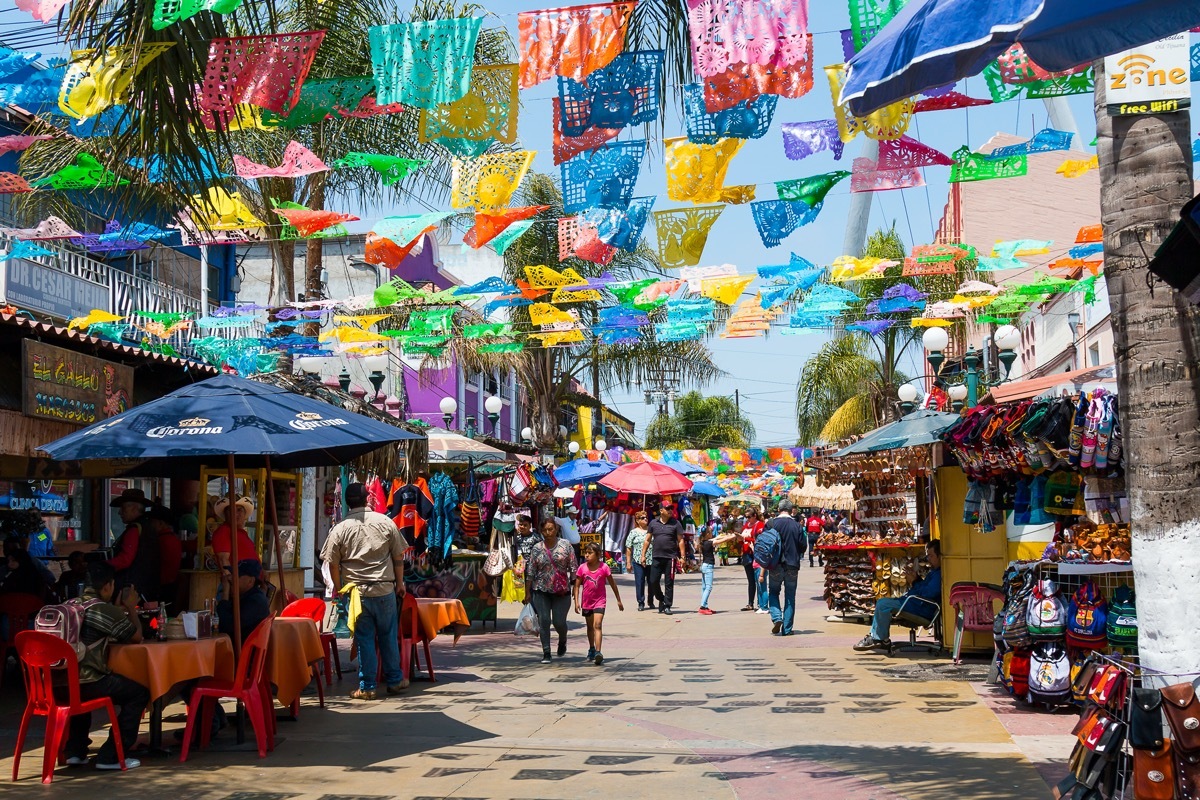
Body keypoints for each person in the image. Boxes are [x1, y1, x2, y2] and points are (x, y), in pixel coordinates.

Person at [321, 482, 409, 700]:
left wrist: (339, 587)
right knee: (388, 636)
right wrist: (400, 584)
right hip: (384, 589)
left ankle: (368, 686)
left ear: (346, 502)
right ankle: (395, 680)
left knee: (365, 639)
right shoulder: (385, 522)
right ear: (368, 499)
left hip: (357, 594)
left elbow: (333, 563)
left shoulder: (340, 528)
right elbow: (398, 557)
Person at [63, 561, 149, 771]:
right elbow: (136, 637)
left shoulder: (69, 604)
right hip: (89, 683)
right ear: (108, 586)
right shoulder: (104, 610)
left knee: (79, 690)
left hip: (58, 684)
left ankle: (75, 752)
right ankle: (111, 755)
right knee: (138, 693)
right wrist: (130, 608)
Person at [854, 540, 943, 651]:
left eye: (931, 556)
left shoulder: (938, 574)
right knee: (885, 602)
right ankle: (879, 637)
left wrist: (914, 582)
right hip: (916, 604)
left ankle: (879, 639)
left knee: (883, 604)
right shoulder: (934, 572)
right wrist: (916, 579)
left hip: (920, 608)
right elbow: (925, 590)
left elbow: (928, 593)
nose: (928, 559)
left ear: (939, 556)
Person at [523, 519, 577, 663]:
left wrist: (575, 587)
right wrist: (527, 591)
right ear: (541, 531)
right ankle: (546, 652)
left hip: (561, 591)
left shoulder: (566, 546)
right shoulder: (537, 548)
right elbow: (531, 571)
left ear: (556, 530)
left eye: (551, 529)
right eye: (545, 530)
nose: (548, 533)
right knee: (544, 621)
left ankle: (562, 639)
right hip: (541, 590)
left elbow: (573, 568)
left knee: (559, 622)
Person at [573, 541, 623, 665]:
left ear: (598, 554)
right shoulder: (582, 568)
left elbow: (612, 583)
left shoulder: (604, 567)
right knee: (590, 627)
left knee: (598, 625)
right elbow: (577, 585)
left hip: (600, 601)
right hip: (587, 602)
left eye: (590, 553)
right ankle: (591, 648)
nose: (587, 555)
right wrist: (576, 602)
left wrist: (618, 599)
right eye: (586, 553)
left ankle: (598, 652)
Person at [107, 488, 159, 600]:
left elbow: (125, 559)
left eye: (123, 507)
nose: (120, 512)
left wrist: (103, 566)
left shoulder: (134, 529)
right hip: (146, 587)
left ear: (135, 508)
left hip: (132, 589)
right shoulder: (148, 526)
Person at [764, 501, 806, 636]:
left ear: (778, 509)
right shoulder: (797, 526)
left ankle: (777, 617)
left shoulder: (771, 524)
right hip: (792, 564)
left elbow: (764, 542)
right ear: (791, 509)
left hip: (775, 564)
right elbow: (803, 546)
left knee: (773, 592)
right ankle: (787, 629)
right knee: (790, 597)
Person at [216, 559, 271, 642]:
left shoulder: (256, 601)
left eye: (236, 575)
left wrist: (225, 593)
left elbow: (225, 626)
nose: (230, 578)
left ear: (250, 581)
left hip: (242, 652)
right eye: (231, 574)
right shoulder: (243, 595)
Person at [647, 502, 686, 615]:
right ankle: (661, 599)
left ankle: (667, 605)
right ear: (661, 511)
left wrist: (682, 557)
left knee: (669, 582)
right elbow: (647, 539)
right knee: (653, 580)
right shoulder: (653, 523)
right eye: (667, 508)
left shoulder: (676, 523)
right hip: (656, 556)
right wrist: (643, 554)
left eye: (671, 508)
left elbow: (680, 541)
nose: (670, 510)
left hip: (671, 557)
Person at [147, 504, 182, 606]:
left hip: (159, 587)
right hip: (171, 586)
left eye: (152, 522)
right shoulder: (174, 539)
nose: (150, 524)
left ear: (161, 523)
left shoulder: (159, 541)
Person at [698, 526, 737, 615]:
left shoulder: (704, 542)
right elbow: (722, 541)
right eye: (711, 532)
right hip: (708, 566)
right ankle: (702, 607)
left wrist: (725, 535)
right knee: (708, 587)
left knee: (704, 587)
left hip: (704, 566)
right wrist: (732, 536)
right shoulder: (709, 543)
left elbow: (717, 538)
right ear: (707, 534)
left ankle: (705, 605)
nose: (712, 533)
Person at [211, 496, 259, 568]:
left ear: (244, 514)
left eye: (239, 510)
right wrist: (230, 577)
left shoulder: (242, 533)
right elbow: (223, 560)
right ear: (225, 514)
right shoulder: (223, 531)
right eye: (231, 510)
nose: (235, 514)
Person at [624, 511, 653, 611]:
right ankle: (641, 602)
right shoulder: (634, 532)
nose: (645, 519)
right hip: (637, 561)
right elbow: (628, 547)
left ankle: (651, 600)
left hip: (650, 560)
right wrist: (628, 562)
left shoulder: (651, 530)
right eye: (642, 518)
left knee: (652, 581)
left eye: (646, 517)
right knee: (640, 582)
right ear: (637, 520)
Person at [739, 508, 766, 612]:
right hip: (746, 554)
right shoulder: (746, 526)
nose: (747, 519)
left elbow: (759, 539)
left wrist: (746, 539)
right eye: (746, 517)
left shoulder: (760, 525)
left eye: (749, 517)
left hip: (755, 554)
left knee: (758, 579)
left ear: (754, 515)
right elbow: (743, 538)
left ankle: (761, 603)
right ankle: (750, 603)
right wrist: (740, 539)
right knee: (750, 580)